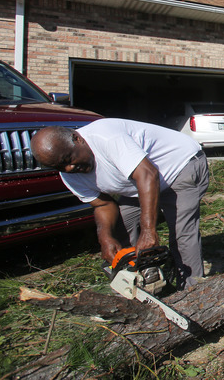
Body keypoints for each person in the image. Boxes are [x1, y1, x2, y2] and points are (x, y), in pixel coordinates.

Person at [31, 118, 209, 288]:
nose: (69, 168)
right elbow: (103, 205)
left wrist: (148, 230)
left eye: (68, 160)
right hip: (141, 182)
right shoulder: (69, 176)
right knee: (122, 225)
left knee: (181, 233)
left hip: (180, 165)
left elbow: (148, 174)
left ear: (77, 139)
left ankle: (192, 291)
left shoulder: (105, 136)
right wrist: (105, 237)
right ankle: (142, 278)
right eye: (60, 167)